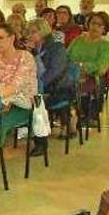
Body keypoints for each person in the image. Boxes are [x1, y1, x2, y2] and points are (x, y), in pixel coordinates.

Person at [26, 18, 73, 154]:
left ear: (43, 31)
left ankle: (41, 142)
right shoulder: (31, 49)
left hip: (58, 89)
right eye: (29, 32)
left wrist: (37, 86)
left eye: (33, 32)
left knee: (37, 103)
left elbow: (53, 73)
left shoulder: (57, 48)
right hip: (37, 87)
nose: (30, 35)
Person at [68, 12, 109, 126]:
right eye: (93, 23)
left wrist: (82, 66)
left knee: (75, 87)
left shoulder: (105, 45)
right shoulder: (78, 40)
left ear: (104, 28)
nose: (95, 27)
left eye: (100, 25)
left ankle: (76, 116)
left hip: (90, 77)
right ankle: (67, 117)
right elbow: (66, 56)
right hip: (70, 74)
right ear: (88, 24)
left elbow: (101, 65)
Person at [0, 24, 38, 111]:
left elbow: (15, 87)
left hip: (22, 105)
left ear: (12, 38)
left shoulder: (25, 57)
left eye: (1, 38)